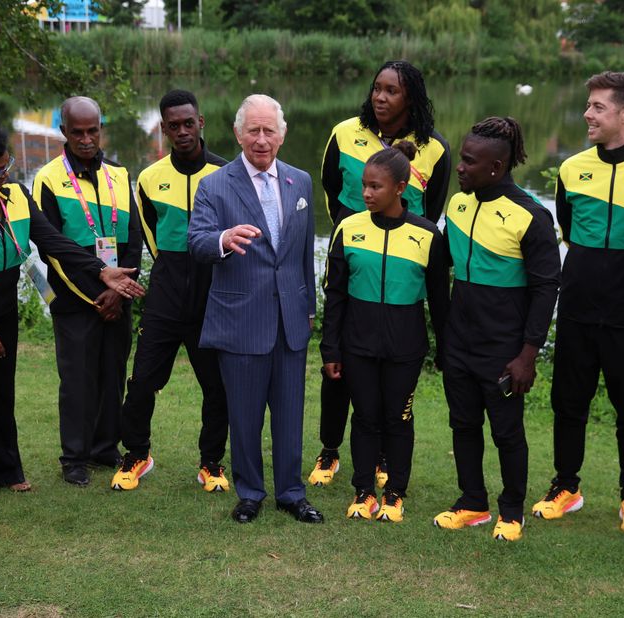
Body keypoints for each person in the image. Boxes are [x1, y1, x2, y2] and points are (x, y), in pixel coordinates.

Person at [0, 120, 143, 507]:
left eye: (6, 164)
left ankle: (8, 469)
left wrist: (101, 271)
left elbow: (54, 241)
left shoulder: (14, 193)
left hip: (2, 302)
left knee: (1, 390)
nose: (5, 173)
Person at [533, 71, 624, 532]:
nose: (587, 114)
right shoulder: (572, 168)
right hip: (577, 307)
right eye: (588, 105)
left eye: (598, 107)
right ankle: (566, 487)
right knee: (567, 402)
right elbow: (570, 230)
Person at [311, 60, 451, 488]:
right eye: (376, 89)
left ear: (411, 98)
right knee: (338, 370)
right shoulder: (343, 133)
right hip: (352, 259)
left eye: (392, 91)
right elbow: (331, 189)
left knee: (389, 379)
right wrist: (350, 235)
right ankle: (331, 449)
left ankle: (385, 457)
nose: (381, 97)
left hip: (401, 268)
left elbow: (433, 210)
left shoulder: (435, 149)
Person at [187, 94, 322, 524]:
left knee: (289, 414)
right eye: (253, 131)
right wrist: (223, 239)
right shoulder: (214, 185)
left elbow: (303, 254)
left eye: (269, 131)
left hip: (290, 320)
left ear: (282, 134)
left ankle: (291, 493)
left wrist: (310, 308)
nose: (261, 140)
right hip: (241, 319)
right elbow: (196, 241)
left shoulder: (300, 182)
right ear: (237, 133)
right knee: (243, 416)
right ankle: (250, 493)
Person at [433, 117, 560, 541]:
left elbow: (546, 288)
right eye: (461, 159)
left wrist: (528, 354)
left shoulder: (531, 216)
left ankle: (512, 510)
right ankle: (472, 503)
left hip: (504, 348)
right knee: (462, 424)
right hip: (460, 342)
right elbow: (443, 261)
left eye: (469, 162)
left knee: (507, 432)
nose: (461, 168)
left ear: (497, 167)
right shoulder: (458, 204)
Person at [320, 141, 449, 523]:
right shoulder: (348, 228)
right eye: (364, 185)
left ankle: (394, 493)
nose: (366, 193)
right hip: (356, 345)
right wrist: (331, 350)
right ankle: (363, 492)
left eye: (375, 186)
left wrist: (446, 350)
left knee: (398, 418)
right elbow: (335, 295)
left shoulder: (427, 236)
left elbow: (440, 302)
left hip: (405, 348)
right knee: (364, 416)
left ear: (400, 187)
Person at [113, 90, 230, 492]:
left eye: (188, 123)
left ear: (201, 123)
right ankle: (137, 454)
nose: (182, 131)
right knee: (143, 379)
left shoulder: (227, 174)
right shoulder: (148, 178)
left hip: (211, 290)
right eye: (173, 126)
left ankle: (211, 463)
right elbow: (150, 235)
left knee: (217, 386)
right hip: (166, 289)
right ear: (163, 129)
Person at [32, 96, 144, 487]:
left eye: (92, 130)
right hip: (77, 301)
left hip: (117, 299)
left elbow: (134, 237)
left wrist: (121, 291)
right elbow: (50, 247)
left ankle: (104, 446)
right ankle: (74, 456)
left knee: (113, 374)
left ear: (101, 129)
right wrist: (95, 295)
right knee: (78, 380)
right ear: (63, 131)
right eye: (76, 132)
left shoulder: (118, 173)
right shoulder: (47, 178)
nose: (85, 139)